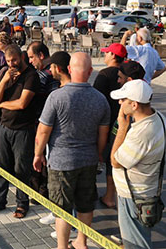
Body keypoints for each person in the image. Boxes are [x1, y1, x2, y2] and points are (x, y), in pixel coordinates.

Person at [33, 52, 110, 249]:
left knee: (61, 208)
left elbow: (43, 131)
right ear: (91, 71)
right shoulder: (101, 100)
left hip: (61, 161)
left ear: (69, 69)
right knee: (86, 204)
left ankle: (62, 246)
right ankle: (82, 242)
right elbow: (103, 135)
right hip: (88, 160)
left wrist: (38, 154)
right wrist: (99, 154)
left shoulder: (56, 97)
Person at [110, 79, 166, 249]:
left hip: (134, 195)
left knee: (136, 243)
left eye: (123, 100)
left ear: (134, 105)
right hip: (147, 190)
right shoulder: (159, 118)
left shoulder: (142, 132)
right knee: (138, 237)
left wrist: (122, 127)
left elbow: (115, 161)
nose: (120, 103)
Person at [0, 44, 40, 218]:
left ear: (22, 57)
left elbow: (22, 104)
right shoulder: (6, 74)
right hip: (4, 127)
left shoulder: (31, 76)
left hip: (23, 129)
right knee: (0, 165)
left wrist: (2, 105)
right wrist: (4, 80)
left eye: (14, 60)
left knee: (21, 168)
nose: (12, 64)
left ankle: (22, 203)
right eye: (8, 61)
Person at [93, 43, 128, 209]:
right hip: (125, 122)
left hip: (106, 124)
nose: (105, 56)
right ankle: (115, 194)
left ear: (113, 56)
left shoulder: (104, 75)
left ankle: (109, 196)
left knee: (107, 159)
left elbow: (96, 100)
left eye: (107, 53)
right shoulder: (127, 73)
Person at [27, 41, 60, 207]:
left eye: (32, 57)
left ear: (41, 55)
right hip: (45, 122)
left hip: (45, 123)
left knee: (42, 159)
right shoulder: (44, 72)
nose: (31, 61)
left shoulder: (45, 74)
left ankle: (42, 193)